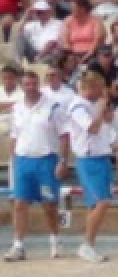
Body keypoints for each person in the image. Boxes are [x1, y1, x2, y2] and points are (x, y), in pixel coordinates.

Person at [5, 70, 69, 261]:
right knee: (19, 204)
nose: (31, 87)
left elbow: (64, 135)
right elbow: (14, 135)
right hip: (23, 160)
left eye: (34, 83)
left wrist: (63, 161)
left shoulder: (53, 106)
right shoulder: (17, 108)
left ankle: (55, 240)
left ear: (38, 84)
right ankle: (18, 246)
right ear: (22, 86)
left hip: (46, 160)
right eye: (27, 84)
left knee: (49, 204)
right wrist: (13, 161)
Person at [66, 73, 118, 262]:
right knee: (102, 202)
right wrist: (101, 106)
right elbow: (92, 128)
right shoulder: (78, 106)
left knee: (96, 204)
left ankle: (89, 244)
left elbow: (107, 122)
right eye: (99, 88)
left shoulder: (92, 104)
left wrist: (104, 107)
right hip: (89, 159)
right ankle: (87, 244)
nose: (102, 92)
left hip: (101, 156)